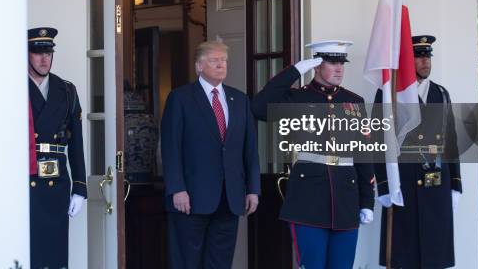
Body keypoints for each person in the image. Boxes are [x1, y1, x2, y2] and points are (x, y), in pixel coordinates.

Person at [251, 40, 375, 269]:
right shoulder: (297, 99)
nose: (339, 69)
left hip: (345, 201)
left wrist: (367, 201)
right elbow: (258, 107)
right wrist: (296, 70)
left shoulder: (354, 102)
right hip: (307, 201)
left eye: (341, 63)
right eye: (332, 63)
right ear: (316, 66)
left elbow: (363, 153)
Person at [161, 41, 260, 269]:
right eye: (214, 60)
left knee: (220, 262)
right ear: (199, 66)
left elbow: (250, 148)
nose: (220, 64)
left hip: (230, 197)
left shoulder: (239, 99)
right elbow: (170, 147)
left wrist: (253, 189)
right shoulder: (181, 98)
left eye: (223, 60)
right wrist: (177, 188)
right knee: (187, 262)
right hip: (190, 198)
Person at [375, 35, 462, 269]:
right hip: (402, 184)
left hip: (436, 183)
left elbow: (451, 141)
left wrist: (455, 183)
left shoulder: (441, 94)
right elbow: (376, 143)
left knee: (435, 256)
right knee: (404, 255)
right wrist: (383, 185)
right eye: (419, 57)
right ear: (405, 60)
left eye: (427, 56)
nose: (425, 62)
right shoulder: (388, 94)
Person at [28, 27, 87, 269]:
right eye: (38, 52)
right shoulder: (11, 88)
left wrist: (80, 188)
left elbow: (76, 143)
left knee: (54, 256)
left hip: (56, 182)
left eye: (49, 53)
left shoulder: (67, 90)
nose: (44, 59)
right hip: (24, 182)